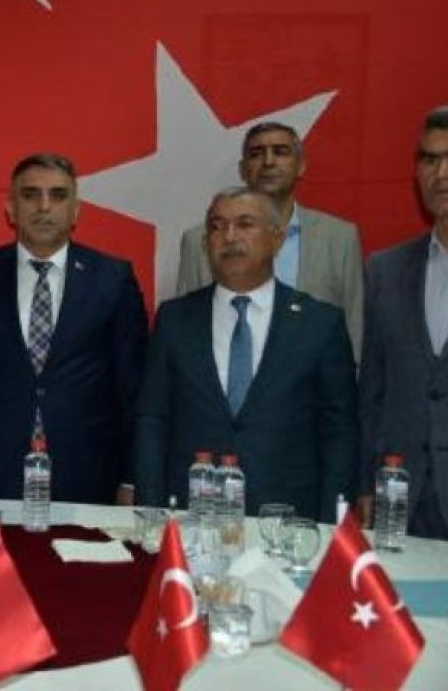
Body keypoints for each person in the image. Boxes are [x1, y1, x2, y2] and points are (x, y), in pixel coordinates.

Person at [136, 187, 358, 522]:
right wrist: (151, 509)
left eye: (244, 224)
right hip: (191, 517)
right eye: (217, 226)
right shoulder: (174, 319)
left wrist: (333, 524)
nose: (229, 237)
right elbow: (153, 420)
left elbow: (339, 432)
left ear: (277, 239)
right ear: (206, 243)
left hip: (288, 521)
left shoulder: (320, 324)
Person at [0, 153, 147, 504]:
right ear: (11, 208)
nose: (44, 206)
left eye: (58, 195)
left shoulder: (112, 279)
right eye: (30, 194)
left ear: (76, 211)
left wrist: (132, 477)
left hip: (88, 470)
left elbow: (133, 386)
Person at [176, 122, 364, 358]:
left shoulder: (339, 239)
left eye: (280, 152)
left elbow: (354, 331)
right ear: (243, 169)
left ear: (301, 166)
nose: (268, 161)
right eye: (257, 154)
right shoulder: (199, 241)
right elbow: (184, 331)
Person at [358, 103, 448, 540]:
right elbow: (372, 391)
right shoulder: (386, 269)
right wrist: (366, 482)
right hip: (400, 501)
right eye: (430, 159)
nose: (442, 173)